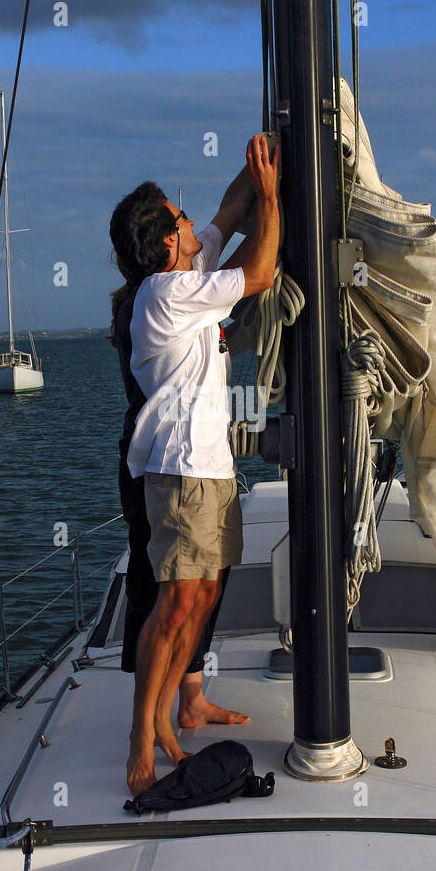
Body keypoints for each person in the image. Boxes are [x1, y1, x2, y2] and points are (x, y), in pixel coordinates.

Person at [109, 133, 281, 794]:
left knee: (203, 596)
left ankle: (173, 710)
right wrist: (271, 195)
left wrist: (263, 160)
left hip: (212, 465)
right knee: (176, 600)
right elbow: (261, 271)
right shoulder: (165, 294)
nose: (194, 223)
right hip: (179, 469)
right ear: (166, 245)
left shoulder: (186, 274)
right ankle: (142, 727)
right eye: (182, 221)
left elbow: (231, 211)